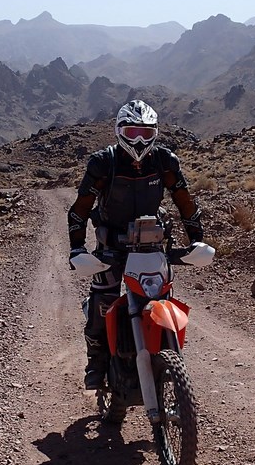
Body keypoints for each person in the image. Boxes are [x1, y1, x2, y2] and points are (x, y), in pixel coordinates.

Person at [67, 99, 205, 390]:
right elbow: (80, 208)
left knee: (161, 296)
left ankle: (165, 355)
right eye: (132, 133)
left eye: (145, 132)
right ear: (119, 132)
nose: (139, 140)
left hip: (151, 246)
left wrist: (197, 241)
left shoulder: (164, 161)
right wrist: (77, 249)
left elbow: (185, 201)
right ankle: (97, 361)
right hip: (111, 248)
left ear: (155, 132)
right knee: (102, 303)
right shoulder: (103, 163)